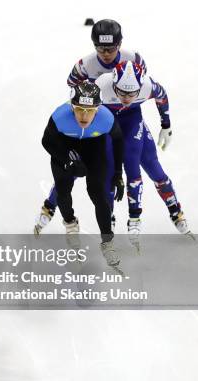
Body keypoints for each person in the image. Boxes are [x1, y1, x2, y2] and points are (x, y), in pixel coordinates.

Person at [35, 19, 145, 234]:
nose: (105, 54)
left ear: (120, 44)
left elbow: (139, 86)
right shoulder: (84, 65)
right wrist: (88, 108)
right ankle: (53, 202)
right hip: (93, 114)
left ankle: (111, 217)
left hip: (118, 115)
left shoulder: (135, 60)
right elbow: (74, 89)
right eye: (100, 49)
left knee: (113, 166)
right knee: (74, 167)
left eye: (111, 49)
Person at [95, 60, 191, 240]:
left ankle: (172, 211)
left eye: (132, 93)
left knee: (151, 168)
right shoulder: (101, 84)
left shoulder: (147, 86)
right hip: (108, 124)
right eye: (122, 92)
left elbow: (161, 95)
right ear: (113, 84)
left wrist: (166, 125)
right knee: (108, 172)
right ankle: (108, 219)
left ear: (140, 87)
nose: (126, 98)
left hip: (133, 123)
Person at [41, 81, 124, 267]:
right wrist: (67, 160)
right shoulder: (59, 116)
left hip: (93, 149)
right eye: (79, 109)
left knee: (97, 193)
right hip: (65, 148)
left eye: (90, 110)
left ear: (98, 108)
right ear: (72, 107)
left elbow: (118, 140)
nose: (84, 116)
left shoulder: (107, 118)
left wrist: (118, 173)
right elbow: (46, 141)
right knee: (62, 191)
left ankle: (107, 242)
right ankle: (70, 224)